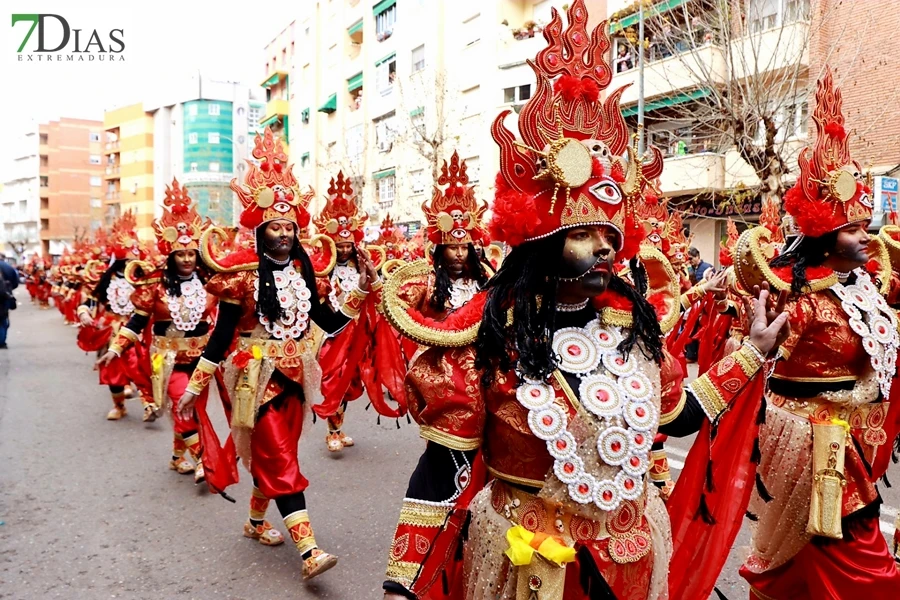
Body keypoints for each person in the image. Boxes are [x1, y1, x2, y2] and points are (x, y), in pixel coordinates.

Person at [380, 3, 789, 597]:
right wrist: (402, 579)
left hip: (627, 560)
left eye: (609, 237)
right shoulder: (484, 344)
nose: (603, 250)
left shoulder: (633, 328)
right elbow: (443, 471)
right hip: (528, 566)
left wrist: (749, 354)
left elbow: (675, 417)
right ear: (540, 243)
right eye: (583, 236)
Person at [176, 128, 379, 580]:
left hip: (296, 377)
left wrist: (361, 291)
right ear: (261, 229)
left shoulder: (308, 274)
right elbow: (220, 338)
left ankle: (254, 521)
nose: (284, 234)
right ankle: (308, 551)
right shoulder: (240, 279)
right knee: (281, 458)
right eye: (276, 226)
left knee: (278, 455)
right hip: (254, 379)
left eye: (290, 227)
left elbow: (324, 324)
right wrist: (195, 387)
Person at [735, 68, 900, 599]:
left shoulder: (865, 288)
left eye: (862, 225)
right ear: (827, 236)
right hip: (815, 444)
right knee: (855, 558)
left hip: (852, 435)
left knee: (819, 557)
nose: (863, 236)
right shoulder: (802, 300)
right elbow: (762, 358)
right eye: (852, 229)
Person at [97, 179, 220, 486]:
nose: (188, 258)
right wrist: (116, 347)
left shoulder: (211, 284)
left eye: (192, 253)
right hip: (167, 361)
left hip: (201, 362)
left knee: (193, 411)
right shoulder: (154, 288)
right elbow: (137, 322)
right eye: (181, 254)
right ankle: (203, 459)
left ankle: (178, 456)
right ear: (171, 256)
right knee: (182, 403)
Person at [312, 171, 404, 452]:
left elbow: (379, 295)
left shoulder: (360, 266)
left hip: (359, 334)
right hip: (331, 334)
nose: (343, 250)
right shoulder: (319, 271)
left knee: (352, 385)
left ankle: (338, 427)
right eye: (338, 245)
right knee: (334, 381)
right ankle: (333, 432)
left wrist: (372, 276)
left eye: (347, 245)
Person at [77, 211, 155, 421]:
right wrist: (83, 313)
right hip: (111, 329)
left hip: (137, 329)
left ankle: (149, 404)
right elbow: (90, 301)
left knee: (142, 368)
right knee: (113, 370)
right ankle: (119, 406)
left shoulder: (146, 279)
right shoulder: (106, 280)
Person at [0, 252, 17, 349]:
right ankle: (2, 341)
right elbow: (15, 281)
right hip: (5, 296)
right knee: (3, 320)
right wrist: (9, 289)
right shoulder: (8, 267)